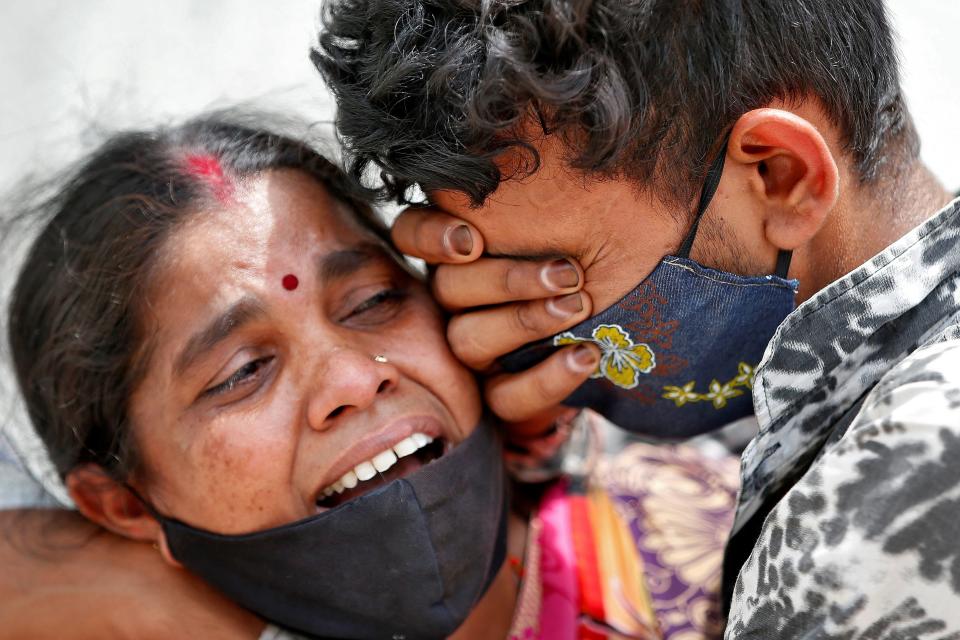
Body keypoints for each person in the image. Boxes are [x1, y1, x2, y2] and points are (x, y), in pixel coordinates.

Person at [313, 0, 960, 635]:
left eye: (555, 274)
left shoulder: (866, 523)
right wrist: (530, 447)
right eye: (481, 276)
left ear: (779, 173)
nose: (519, 335)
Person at [0, 116, 738, 639]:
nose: (354, 379)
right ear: (122, 505)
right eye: (245, 371)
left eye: (375, 301)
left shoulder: (718, 534)